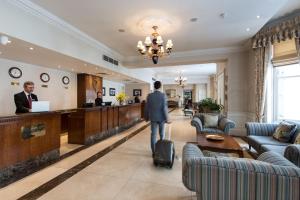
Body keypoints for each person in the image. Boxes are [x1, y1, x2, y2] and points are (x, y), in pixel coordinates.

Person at [144, 81, 170, 157]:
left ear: (154, 86)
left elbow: (147, 107)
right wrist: (167, 118)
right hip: (162, 118)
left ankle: (154, 152)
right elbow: (164, 108)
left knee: (153, 135)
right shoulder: (163, 96)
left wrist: (146, 117)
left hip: (153, 118)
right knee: (162, 134)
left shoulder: (149, 96)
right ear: (160, 86)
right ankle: (161, 150)